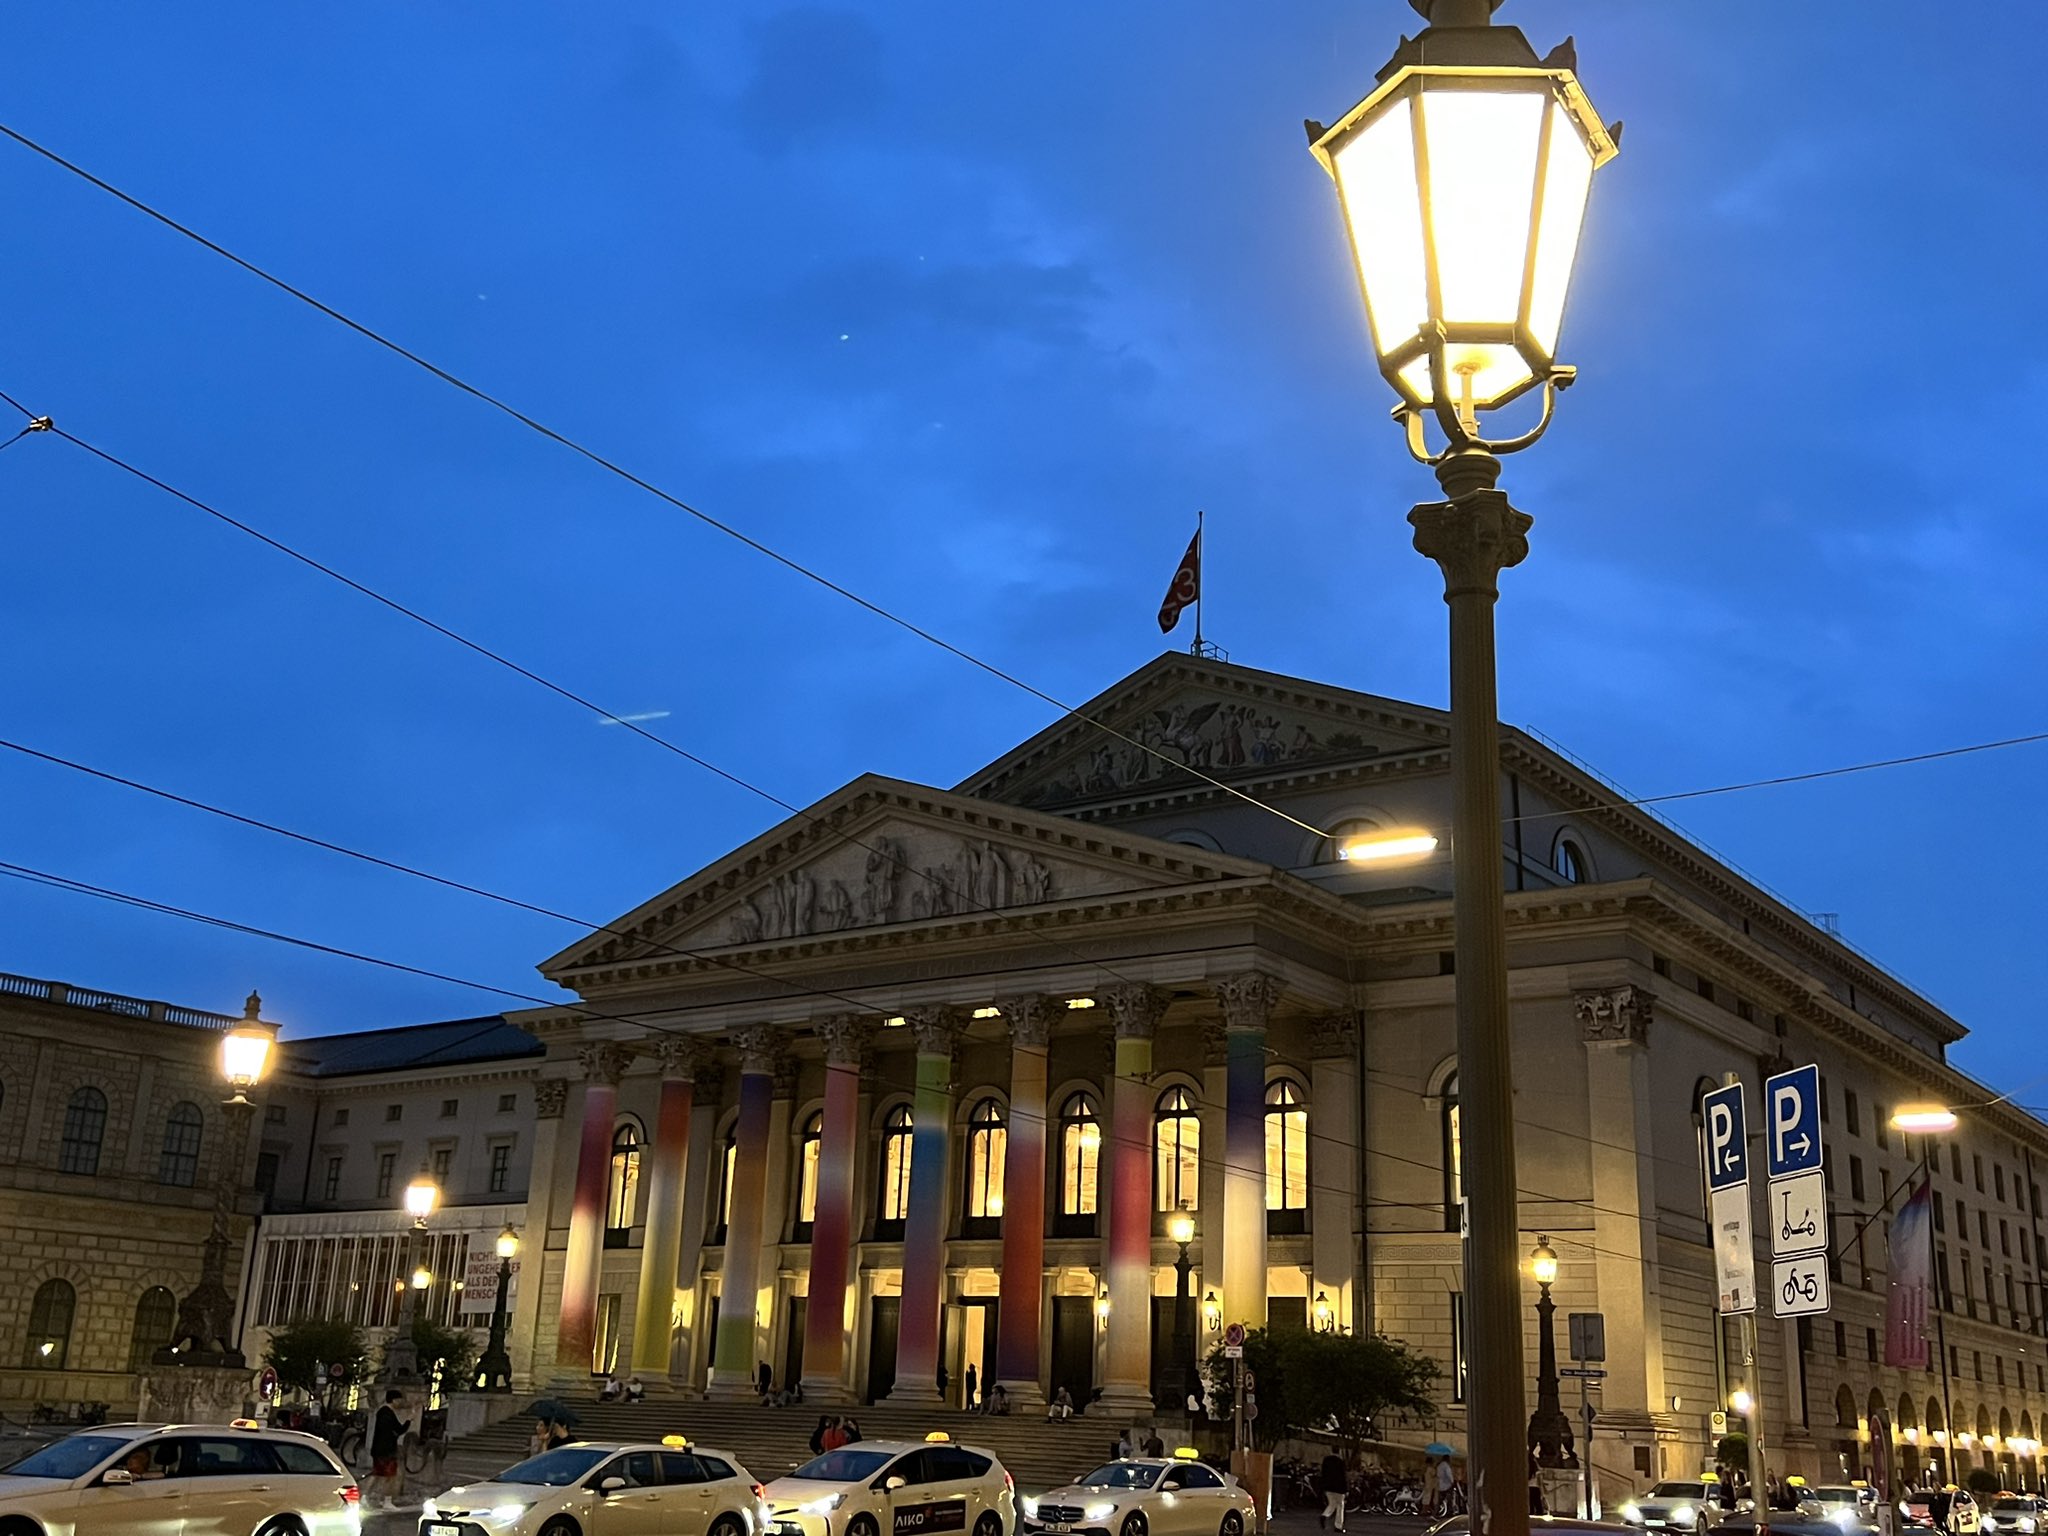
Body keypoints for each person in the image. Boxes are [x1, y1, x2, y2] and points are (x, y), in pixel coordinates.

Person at [367, 1389, 409, 1512]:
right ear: (394, 1400)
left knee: (378, 1475)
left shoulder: (385, 1412)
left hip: (381, 1450)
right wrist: (408, 1420)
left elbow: (397, 1430)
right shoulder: (386, 1413)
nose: (400, 1403)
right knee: (388, 1476)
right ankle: (386, 1500)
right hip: (385, 1451)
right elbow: (396, 1431)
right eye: (399, 1400)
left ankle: (369, 1497)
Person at [1320, 1449, 1349, 1531]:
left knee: (1332, 1503)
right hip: (1339, 1487)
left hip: (1328, 1486)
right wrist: (1346, 1489)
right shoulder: (1340, 1462)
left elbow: (1323, 1473)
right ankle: (1338, 1526)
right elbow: (1343, 1476)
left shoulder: (1326, 1460)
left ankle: (1325, 1515)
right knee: (1340, 1505)